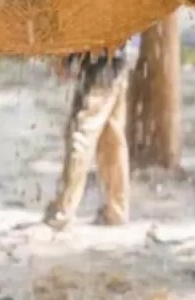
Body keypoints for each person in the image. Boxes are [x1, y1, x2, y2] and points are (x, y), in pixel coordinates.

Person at [43, 44, 133, 230]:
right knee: (111, 135)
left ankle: (63, 210)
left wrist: (67, 57)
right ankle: (117, 208)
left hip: (100, 57)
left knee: (81, 130)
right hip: (119, 54)